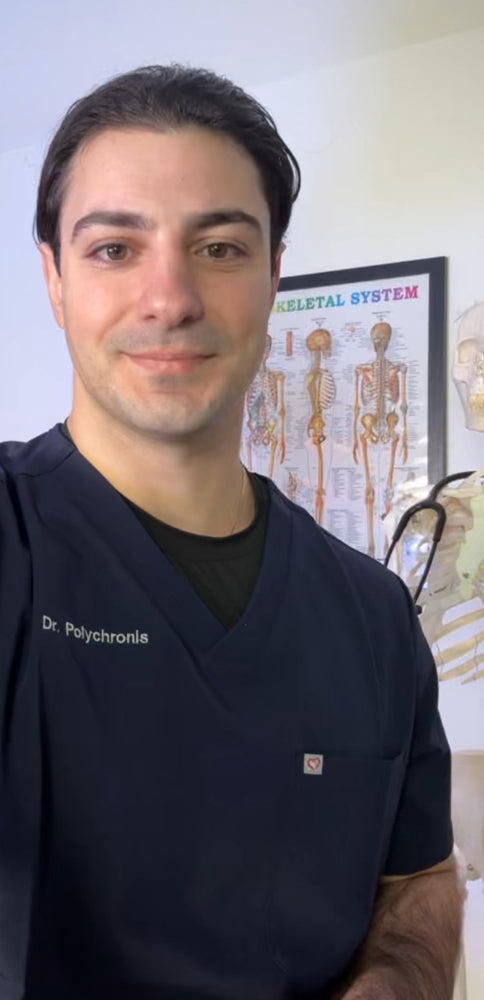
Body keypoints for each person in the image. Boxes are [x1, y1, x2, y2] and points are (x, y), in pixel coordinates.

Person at [0, 65, 462, 1000]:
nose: (169, 299)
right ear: (53, 278)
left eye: (218, 247)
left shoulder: (374, 616)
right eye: (115, 249)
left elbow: (418, 880)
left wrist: (394, 980)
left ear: (273, 273)